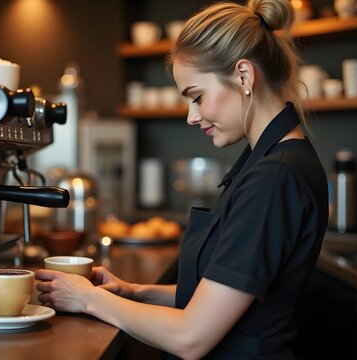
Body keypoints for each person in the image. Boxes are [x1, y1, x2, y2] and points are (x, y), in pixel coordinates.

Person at [36, 0, 329, 358]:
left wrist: (88, 299)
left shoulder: (276, 176)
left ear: (243, 75)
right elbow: (222, 295)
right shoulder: (268, 162)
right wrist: (133, 292)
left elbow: (191, 336)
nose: (191, 117)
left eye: (197, 97)